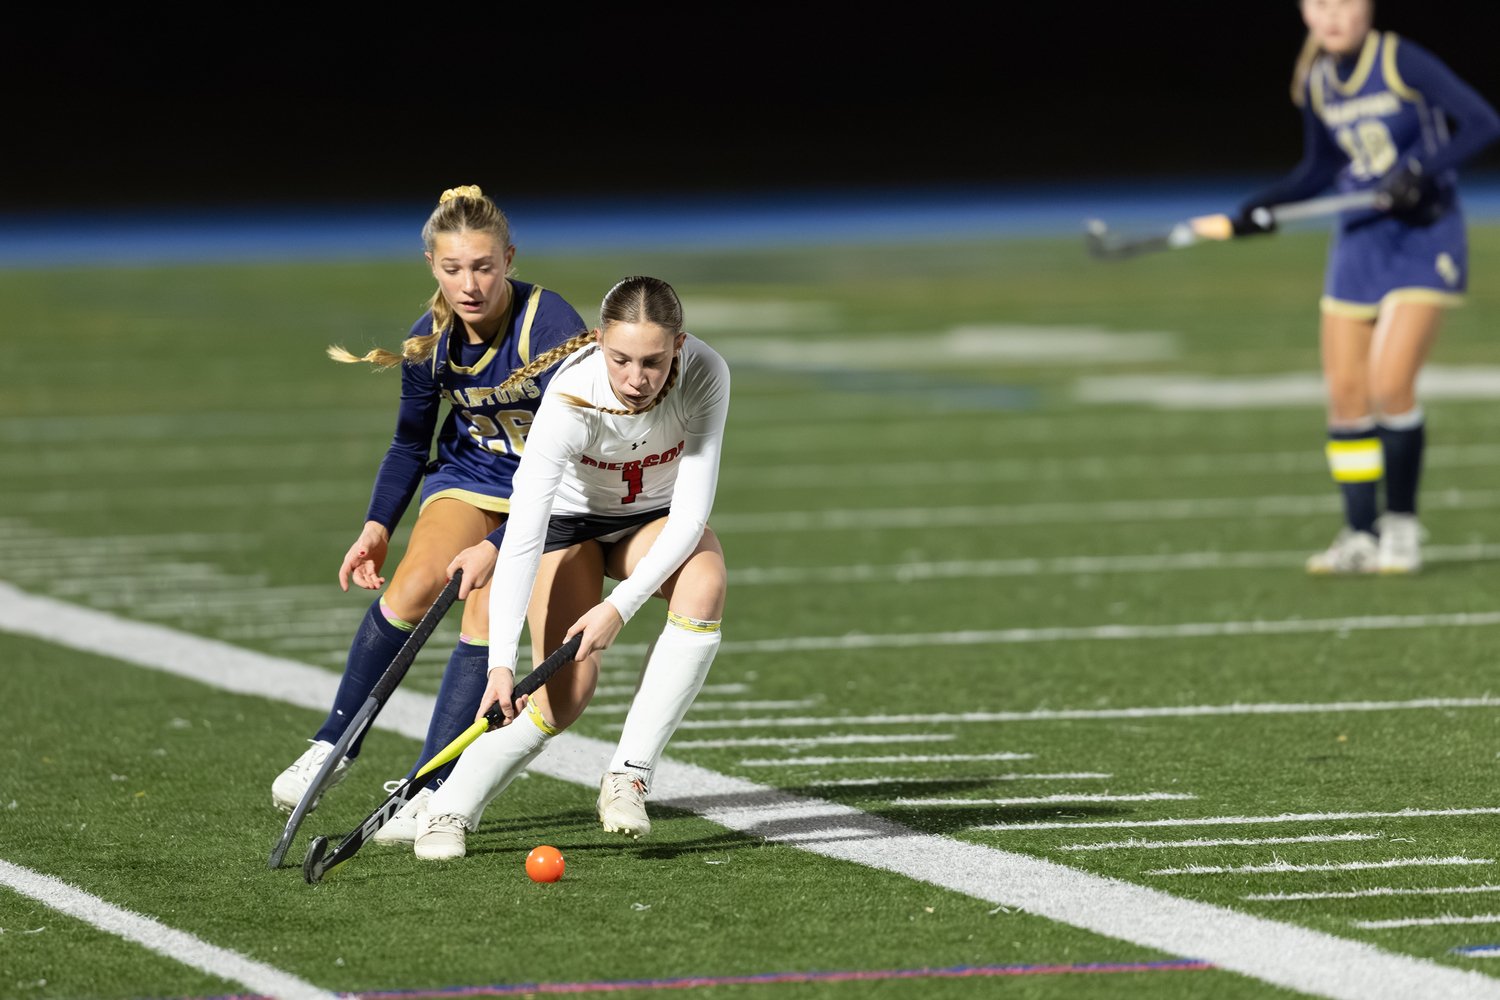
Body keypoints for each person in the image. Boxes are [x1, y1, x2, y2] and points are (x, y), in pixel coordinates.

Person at [269, 186, 588, 840]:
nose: (467, 284)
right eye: (452, 268)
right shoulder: (430, 340)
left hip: (554, 490)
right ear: (430, 265)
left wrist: (502, 544)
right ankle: (334, 744)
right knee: (416, 584)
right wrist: (376, 525)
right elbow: (412, 442)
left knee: (481, 608)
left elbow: (577, 459)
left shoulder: (550, 327)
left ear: (509, 259)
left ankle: (430, 780)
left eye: (483, 266)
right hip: (472, 476)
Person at [409, 275, 730, 860]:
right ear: (600, 341)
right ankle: (449, 807)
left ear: (678, 346)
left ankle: (628, 775)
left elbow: (690, 516)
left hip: (651, 521)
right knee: (564, 697)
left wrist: (617, 607)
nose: (637, 379)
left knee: (705, 579)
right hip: (569, 527)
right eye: (621, 359)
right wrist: (500, 666)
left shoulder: (707, 374)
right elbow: (525, 531)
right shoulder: (570, 394)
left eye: (654, 362)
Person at [1193, 0, 1498, 573]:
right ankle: (1359, 534)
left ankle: (1402, 528)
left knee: (1390, 385)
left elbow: (1483, 123)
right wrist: (1255, 211)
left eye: (1343, 3)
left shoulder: (1401, 59)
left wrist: (1419, 173)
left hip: (1425, 237)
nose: (1331, 15)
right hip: (1359, 240)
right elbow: (1317, 171)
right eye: (1318, 5)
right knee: (1346, 396)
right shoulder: (1317, 81)